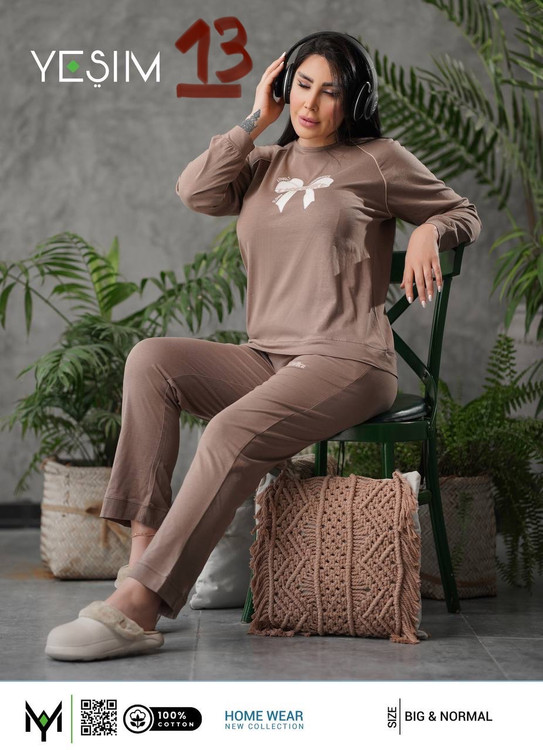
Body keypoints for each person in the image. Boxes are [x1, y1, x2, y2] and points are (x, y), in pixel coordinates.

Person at [45, 31, 482, 661]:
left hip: (348, 360)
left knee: (229, 431)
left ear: (353, 101)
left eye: (330, 92)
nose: (311, 103)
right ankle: (140, 563)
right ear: (283, 86)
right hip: (269, 357)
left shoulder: (379, 160)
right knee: (150, 361)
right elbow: (194, 191)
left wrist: (428, 231)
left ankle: (142, 605)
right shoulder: (262, 165)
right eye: (301, 85)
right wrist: (255, 119)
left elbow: (465, 213)